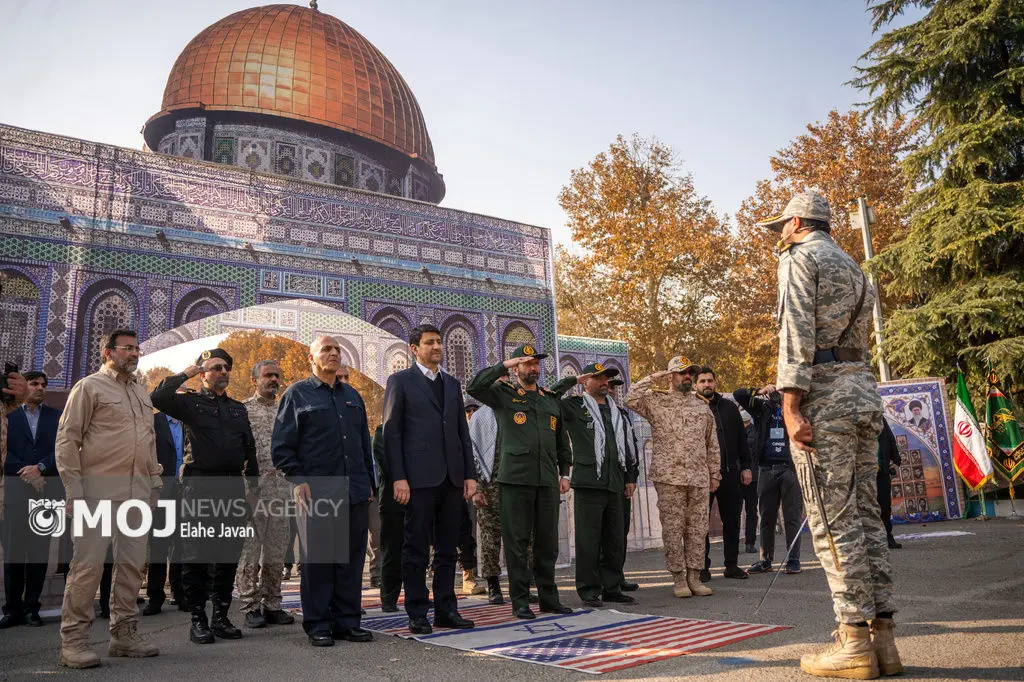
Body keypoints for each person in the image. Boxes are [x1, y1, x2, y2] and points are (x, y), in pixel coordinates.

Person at [759, 190, 899, 678]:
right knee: (866, 516)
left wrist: (791, 404)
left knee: (833, 520)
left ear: (796, 222)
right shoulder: (855, 266)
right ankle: (883, 640)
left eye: (782, 227)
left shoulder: (800, 258)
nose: (780, 235)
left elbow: (795, 331)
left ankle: (852, 641)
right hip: (862, 393)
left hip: (825, 400)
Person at [56, 330, 162, 668]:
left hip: (137, 494)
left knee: (132, 567)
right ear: (108, 352)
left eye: (136, 348)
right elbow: (67, 440)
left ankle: (123, 635)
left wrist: (154, 485)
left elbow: (149, 442)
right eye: (127, 348)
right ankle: (73, 642)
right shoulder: (89, 387)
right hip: (97, 494)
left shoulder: (142, 393)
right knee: (87, 569)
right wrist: (74, 490)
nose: (134, 353)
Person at [272, 335, 375, 647]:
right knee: (319, 562)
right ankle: (319, 624)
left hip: (355, 490)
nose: (333, 354)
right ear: (311, 358)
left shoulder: (352, 396)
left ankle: (347, 621)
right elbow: (282, 445)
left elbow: (363, 443)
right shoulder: (297, 395)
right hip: (316, 491)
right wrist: (298, 479)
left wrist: (370, 483)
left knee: (351, 561)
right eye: (326, 350)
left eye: (336, 350)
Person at [151, 349, 259, 645]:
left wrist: (254, 489)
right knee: (196, 555)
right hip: (200, 486)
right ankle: (198, 619)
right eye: (215, 367)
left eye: (226, 367)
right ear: (204, 373)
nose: (223, 372)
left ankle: (221, 617)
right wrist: (186, 372)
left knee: (228, 555)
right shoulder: (190, 403)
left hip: (232, 488)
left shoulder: (238, 409)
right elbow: (157, 398)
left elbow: (249, 450)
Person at [383, 324, 477, 634]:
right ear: (414, 349)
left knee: (449, 548)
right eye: (429, 343)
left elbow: (462, 434)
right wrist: (398, 477)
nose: (436, 347)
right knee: (416, 549)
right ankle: (418, 612)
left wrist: (469, 475)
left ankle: (446, 610)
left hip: (451, 479)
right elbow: (392, 434)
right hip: (418, 480)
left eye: (439, 342)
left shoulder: (452, 384)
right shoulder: (400, 382)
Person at [467, 344, 572, 620]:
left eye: (536, 363)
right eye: (527, 363)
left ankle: (549, 599)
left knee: (546, 544)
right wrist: (505, 364)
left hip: (547, 480)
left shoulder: (550, 399)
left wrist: (565, 473)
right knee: (516, 542)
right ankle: (521, 602)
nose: (533, 368)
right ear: (517, 369)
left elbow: (561, 440)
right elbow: (474, 387)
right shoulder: (503, 395)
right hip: (514, 480)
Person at [625, 356, 719, 599]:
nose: (687, 377)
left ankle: (695, 577)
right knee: (673, 530)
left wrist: (714, 473)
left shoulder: (702, 405)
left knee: (698, 530)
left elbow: (712, 443)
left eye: (690, 373)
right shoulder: (657, 401)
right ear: (670, 377)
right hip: (669, 477)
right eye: (681, 373)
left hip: (698, 477)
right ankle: (678, 578)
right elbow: (630, 398)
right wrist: (652, 377)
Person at [551, 364, 637, 608]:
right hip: (589, 481)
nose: (604, 382)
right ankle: (589, 590)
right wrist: (572, 380)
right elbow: (549, 397)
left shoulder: (617, 411)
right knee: (589, 540)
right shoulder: (574, 406)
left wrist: (630, 477)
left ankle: (612, 587)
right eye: (597, 378)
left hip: (616, 481)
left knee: (615, 539)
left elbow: (627, 447)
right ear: (585, 382)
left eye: (606, 378)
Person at [236, 360, 296, 629]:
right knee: (250, 551)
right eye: (268, 375)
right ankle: (250, 604)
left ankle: (273, 603)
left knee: (277, 549)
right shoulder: (243, 411)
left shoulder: (288, 410)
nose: (273, 379)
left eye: (277, 375)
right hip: (254, 492)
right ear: (254, 380)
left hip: (283, 490)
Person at [1, 371, 60, 628]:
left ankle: (31, 608)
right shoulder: (8, 417)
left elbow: (63, 449)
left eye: (43, 385)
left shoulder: (56, 417)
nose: (40, 388)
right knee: (13, 553)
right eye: (34, 383)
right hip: (14, 492)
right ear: (24, 386)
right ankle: (12, 609)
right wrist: (26, 471)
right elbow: (4, 451)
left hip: (45, 493)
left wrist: (41, 468)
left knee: (38, 552)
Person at [733, 385, 804, 575]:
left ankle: (794, 559)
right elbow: (738, 395)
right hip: (766, 468)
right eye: (778, 391)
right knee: (766, 517)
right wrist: (759, 390)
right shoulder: (762, 409)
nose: (779, 395)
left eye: (784, 391)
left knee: (792, 517)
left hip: (790, 468)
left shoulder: (798, 408)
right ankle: (765, 560)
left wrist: (789, 401)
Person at [695, 367, 753, 582]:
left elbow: (741, 439)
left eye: (710, 380)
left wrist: (746, 466)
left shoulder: (729, 407)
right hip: (702, 475)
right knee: (701, 523)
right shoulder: (692, 407)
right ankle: (702, 567)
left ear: (715, 383)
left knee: (732, 520)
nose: (707, 384)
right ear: (695, 384)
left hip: (729, 472)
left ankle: (731, 565)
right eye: (702, 381)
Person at [142, 409, 185, 615]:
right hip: (161, 490)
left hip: (186, 490)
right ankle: (156, 597)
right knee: (159, 544)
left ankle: (180, 593)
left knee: (182, 544)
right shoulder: (154, 421)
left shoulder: (188, 422)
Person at [608, 378, 640, 592]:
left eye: (612, 386)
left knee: (620, 532)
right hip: (600, 483)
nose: (609, 389)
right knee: (605, 534)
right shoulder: (585, 412)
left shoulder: (621, 415)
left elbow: (631, 449)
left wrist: (631, 478)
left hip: (621, 481)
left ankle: (617, 576)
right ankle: (604, 580)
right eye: (604, 383)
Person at [372, 423, 402, 612]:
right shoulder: (382, 433)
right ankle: (389, 598)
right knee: (391, 551)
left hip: (417, 500)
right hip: (392, 500)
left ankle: (418, 593)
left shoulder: (415, 428)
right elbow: (387, 464)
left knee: (417, 550)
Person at [878, 420, 902, 550]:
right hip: (862, 472)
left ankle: (887, 537)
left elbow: (890, 438)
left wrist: (896, 461)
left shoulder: (880, 420)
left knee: (884, 505)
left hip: (881, 471)